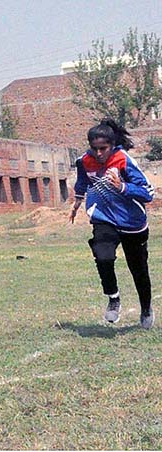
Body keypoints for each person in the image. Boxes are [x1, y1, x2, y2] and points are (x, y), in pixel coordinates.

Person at [69, 119, 155, 329]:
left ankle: (146, 308)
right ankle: (113, 298)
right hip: (104, 217)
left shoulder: (124, 161)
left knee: (139, 269)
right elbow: (83, 180)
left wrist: (123, 187)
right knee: (103, 255)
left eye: (103, 149)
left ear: (113, 145)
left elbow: (148, 193)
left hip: (132, 221)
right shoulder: (85, 161)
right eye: (94, 148)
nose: (99, 153)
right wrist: (78, 201)